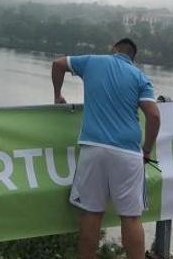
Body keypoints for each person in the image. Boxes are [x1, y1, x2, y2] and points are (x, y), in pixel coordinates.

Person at [51, 38, 161, 259]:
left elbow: (58, 64)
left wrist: (57, 95)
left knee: (92, 212)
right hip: (128, 152)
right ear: (132, 58)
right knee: (131, 217)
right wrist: (147, 150)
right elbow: (154, 115)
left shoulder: (93, 62)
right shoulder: (140, 77)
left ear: (114, 49)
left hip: (94, 147)